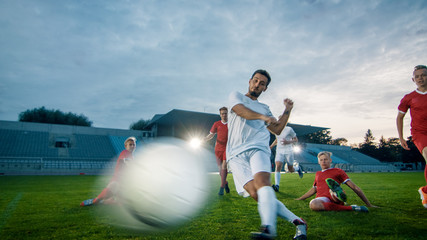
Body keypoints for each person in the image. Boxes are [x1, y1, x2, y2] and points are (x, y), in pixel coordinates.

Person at [226, 69, 307, 240]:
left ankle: (268, 229)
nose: (257, 84)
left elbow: (277, 129)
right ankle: (298, 221)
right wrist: (264, 117)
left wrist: (287, 111)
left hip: (258, 148)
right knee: (257, 195)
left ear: (265, 88)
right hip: (235, 154)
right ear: (250, 81)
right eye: (255, 80)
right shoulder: (237, 96)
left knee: (263, 184)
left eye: (262, 83)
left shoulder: (265, 108)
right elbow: (241, 111)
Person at [296, 151, 376, 212]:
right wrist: (300, 198)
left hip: (335, 198)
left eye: (325, 159)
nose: (323, 161)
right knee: (315, 204)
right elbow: (314, 189)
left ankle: (336, 194)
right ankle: (352, 207)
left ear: (330, 160)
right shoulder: (318, 173)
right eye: (321, 160)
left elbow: (354, 187)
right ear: (318, 162)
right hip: (322, 199)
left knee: (314, 203)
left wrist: (368, 204)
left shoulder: (338, 171)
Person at [396, 64, 427, 209]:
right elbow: (399, 118)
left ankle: (425, 191)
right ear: (413, 79)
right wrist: (401, 137)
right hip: (420, 133)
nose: (420, 78)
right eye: (417, 76)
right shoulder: (409, 98)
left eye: (423, 75)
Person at [80, 136, 137, 206]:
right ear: (126, 146)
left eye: (133, 144)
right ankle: (93, 201)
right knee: (100, 199)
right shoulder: (125, 152)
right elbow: (127, 162)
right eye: (130, 144)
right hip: (116, 181)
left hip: (123, 183)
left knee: (120, 204)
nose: (132, 146)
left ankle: (106, 201)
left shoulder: (131, 156)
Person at [204, 107, 230, 195]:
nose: (224, 115)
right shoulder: (216, 124)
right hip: (218, 149)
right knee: (220, 171)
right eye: (222, 113)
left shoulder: (231, 124)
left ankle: (221, 188)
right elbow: (211, 135)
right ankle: (225, 183)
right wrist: (204, 139)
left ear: (228, 114)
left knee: (224, 166)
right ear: (220, 114)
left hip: (228, 148)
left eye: (225, 113)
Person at [270, 125, 303, 192]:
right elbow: (277, 140)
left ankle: (297, 168)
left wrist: (288, 142)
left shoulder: (289, 129)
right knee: (278, 165)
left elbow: (296, 139)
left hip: (289, 151)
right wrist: (271, 146)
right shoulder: (276, 129)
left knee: (290, 169)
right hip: (279, 151)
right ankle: (277, 186)